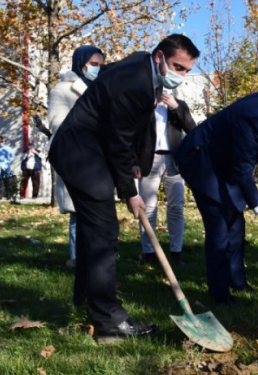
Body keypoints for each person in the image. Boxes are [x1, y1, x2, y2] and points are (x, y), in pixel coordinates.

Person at [49, 34, 199, 342]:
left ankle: (86, 301)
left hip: (86, 148)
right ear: (159, 57)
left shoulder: (141, 65)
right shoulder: (137, 84)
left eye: (186, 70)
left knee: (94, 230)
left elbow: (125, 131)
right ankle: (109, 321)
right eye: (177, 67)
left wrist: (131, 163)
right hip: (80, 152)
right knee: (104, 231)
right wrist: (130, 191)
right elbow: (119, 139)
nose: (181, 76)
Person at [175, 72, 258, 305]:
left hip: (224, 165)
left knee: (235, 223)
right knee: (219, 228)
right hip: (202, 163)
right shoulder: (253, 114)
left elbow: (240, 165)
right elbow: (243, 171)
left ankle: (238, 281)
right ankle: (219, 293)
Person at [48, 44, 105, 269]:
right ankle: (77, 257)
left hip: (99, 159)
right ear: (80, 63)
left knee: (97, 211)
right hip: (75, 156)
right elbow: (56, 123)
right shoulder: (63, 89)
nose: (97, 69)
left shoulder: (101, 88)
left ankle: (96, 256)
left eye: (100, 65)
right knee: (78, 211)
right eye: (93, 64)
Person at [138, 88, 197, 266]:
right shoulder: (144, 104)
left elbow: (191, 128)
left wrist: (176, 107)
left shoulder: (179, 105)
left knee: (177, 207)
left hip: (175, 159)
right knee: (148, 208)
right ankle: (149, 252)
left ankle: (176, 252)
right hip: (150, 159)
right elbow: (134, 132)